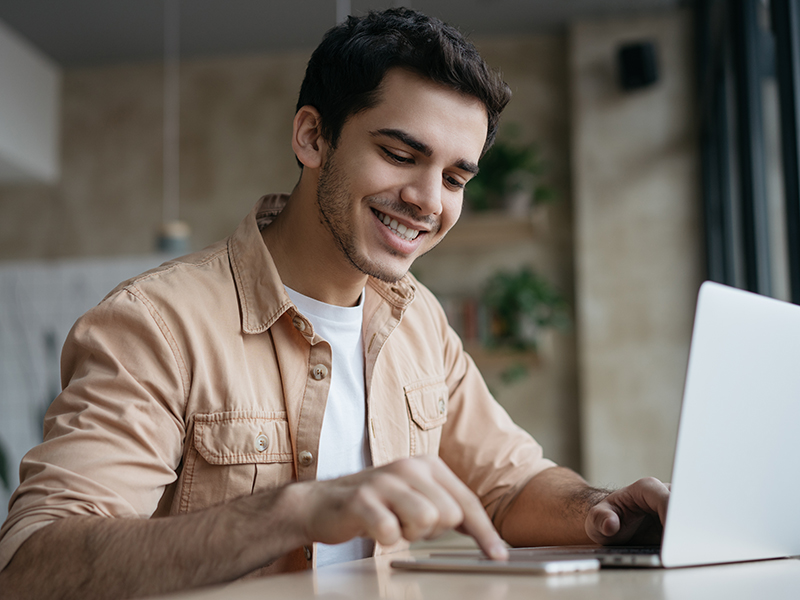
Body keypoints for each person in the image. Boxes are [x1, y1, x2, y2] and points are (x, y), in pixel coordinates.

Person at [0, 8, 669, 600]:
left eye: (455, 177)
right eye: (400, 153)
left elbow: (510, 484)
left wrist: (600, 511)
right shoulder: (157, 325)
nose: (429, 201)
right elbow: (30, 566)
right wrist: (293, 512)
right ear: (313, 138)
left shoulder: (419, 322)